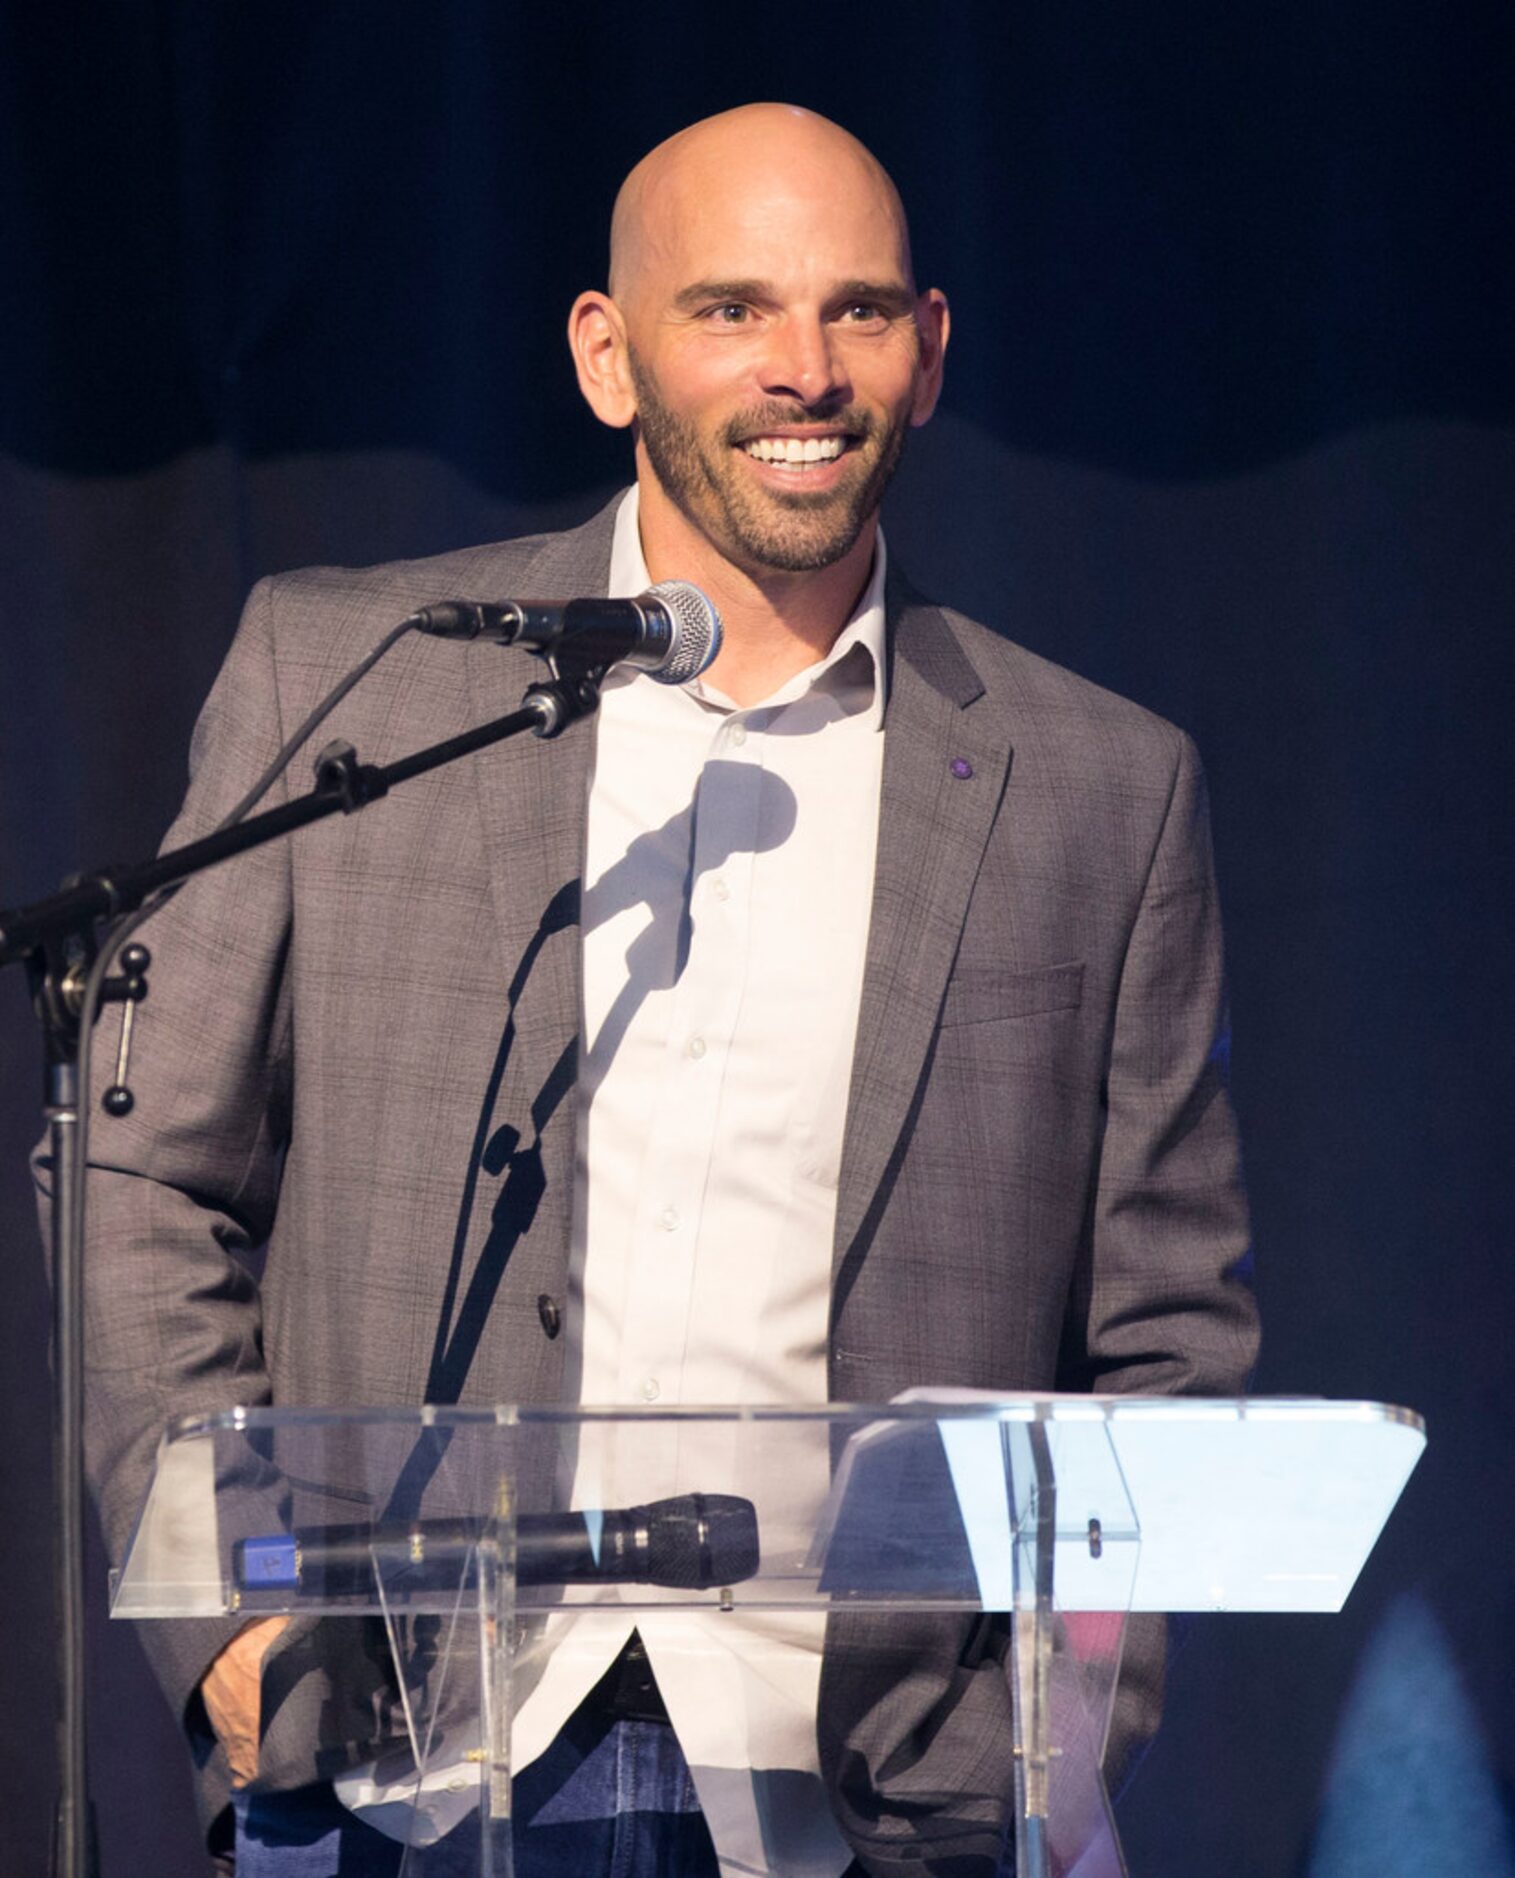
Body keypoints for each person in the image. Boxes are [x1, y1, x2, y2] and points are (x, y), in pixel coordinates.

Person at [56, 103, 1258, 1876]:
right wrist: (229, 1626)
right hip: (398, 1757)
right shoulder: (359, 688)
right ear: (608, 357)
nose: (804, 371)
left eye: (858, 313)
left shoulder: (1100, 783)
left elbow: (1168, 1347)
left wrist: (1064, 1732)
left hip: (875, 1799)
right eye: (733, 311)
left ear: (930, 356)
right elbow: (144, 1171)